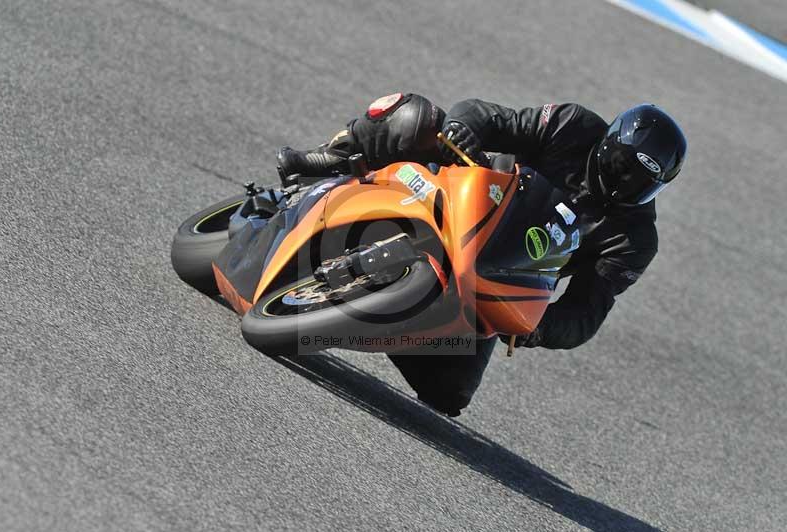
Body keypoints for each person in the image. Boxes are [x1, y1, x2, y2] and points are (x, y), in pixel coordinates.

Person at [277, 93, 687, 416]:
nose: (622, 183)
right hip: (464, 198)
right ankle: (330, 158)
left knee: (449, 393)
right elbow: (490, 117)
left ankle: (381, 318)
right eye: (620, 165)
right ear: (608, 143)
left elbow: (585, 314)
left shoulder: (633, 240)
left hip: (493, 279)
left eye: (641, 183)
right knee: (418, 119)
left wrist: (537, 327)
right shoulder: (572, 125)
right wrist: (462, 130)